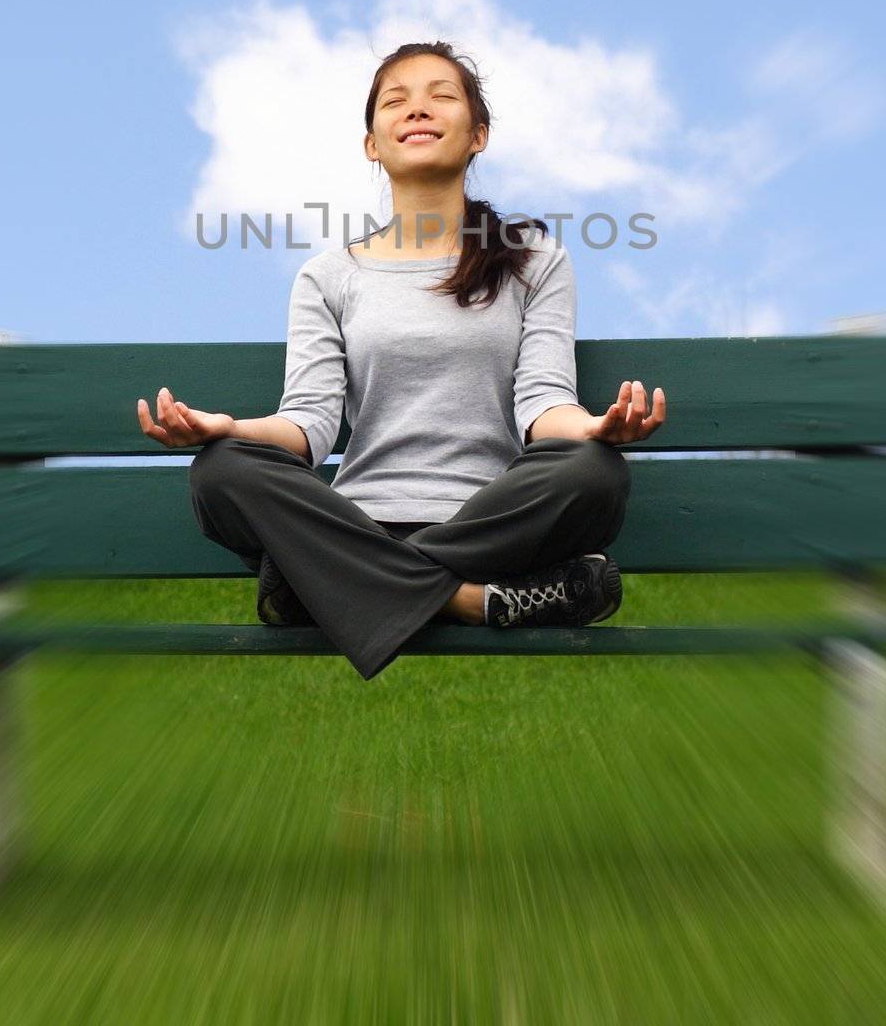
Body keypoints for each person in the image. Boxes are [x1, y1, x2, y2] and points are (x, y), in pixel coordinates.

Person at [135, 40, 667, 680]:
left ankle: (317, 585)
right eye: (396, 101)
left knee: (594, 474)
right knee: (219, 473)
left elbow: (543, 402)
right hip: (357, 515)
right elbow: (308, 424)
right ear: (372, 144)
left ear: (478, 135)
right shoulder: (328, 276)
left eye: (441, 96)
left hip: (489, 518)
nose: (418, 110)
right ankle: (469, 600)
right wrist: (232, 429)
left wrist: (594, 429)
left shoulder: (534, 259)